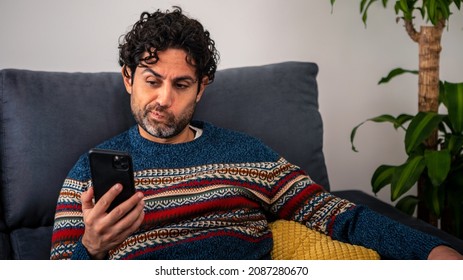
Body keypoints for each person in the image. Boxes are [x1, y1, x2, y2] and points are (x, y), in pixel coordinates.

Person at [50, 6, 462, 260]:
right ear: (128, 78)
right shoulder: (89, 173)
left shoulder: (248, 154)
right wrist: (91, 246)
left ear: (201, 87)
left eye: (180, 85)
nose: (163, 99)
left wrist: (429, 249)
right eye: (151, 81)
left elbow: (336, 214)